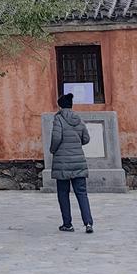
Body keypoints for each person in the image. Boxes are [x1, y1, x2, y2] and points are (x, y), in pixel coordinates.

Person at [48, 92, 94, 233]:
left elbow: (56, 138)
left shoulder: (59, 119)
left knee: (63, 193)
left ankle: (67, 224)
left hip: (62, 162)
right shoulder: (78, 119)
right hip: (78, 162)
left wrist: (53, 150)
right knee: (82, 193)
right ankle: (88, 223)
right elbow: (86, 138)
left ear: (60, 106)